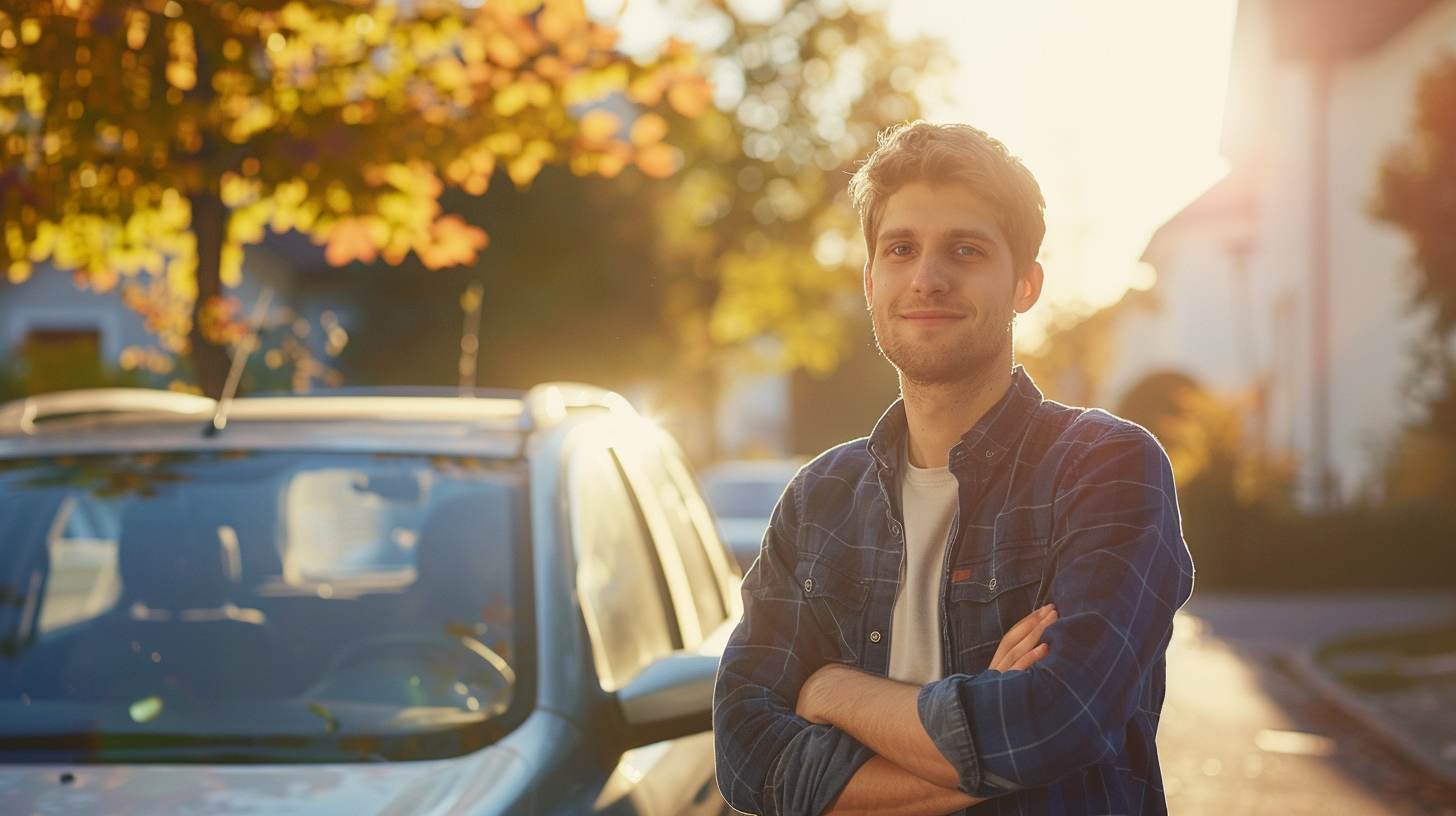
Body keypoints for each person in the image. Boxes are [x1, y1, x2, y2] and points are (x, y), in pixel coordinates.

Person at [711, 121, 1196, 816]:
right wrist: (982, 729)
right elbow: (746, 755)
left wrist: (832, 692)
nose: (928, 278)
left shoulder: (1106, 468)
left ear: (1025, 284)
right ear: (872, 279)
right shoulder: (819, 500)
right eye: (901, 249)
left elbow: (1052, 725)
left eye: (965, 251)